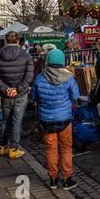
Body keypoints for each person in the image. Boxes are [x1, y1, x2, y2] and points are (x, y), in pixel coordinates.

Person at [31, 49, 80, 190]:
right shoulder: (69, 78)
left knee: (51, 150)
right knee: (66, 149)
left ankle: (53, 179)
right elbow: (75, 96)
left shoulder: (39, 78)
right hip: (64, 118)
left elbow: (33, 97)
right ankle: (66, 179)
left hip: (46, 119)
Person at [0, 31, 34, 159]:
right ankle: (13, 148)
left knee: (6, 120)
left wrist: (5, 89)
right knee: (16, 121)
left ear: (5, 40)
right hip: (20, 94)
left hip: (6, 94)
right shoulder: (26, 56)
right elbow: (29, 76)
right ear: (18, 41)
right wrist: (18, 89)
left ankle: (3, 146)